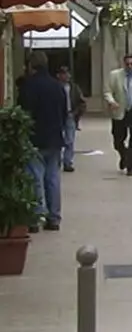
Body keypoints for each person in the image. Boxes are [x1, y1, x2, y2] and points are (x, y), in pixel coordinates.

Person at [17, 58, 68, 232]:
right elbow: (64, 112)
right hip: (54, 138)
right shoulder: (57, 86)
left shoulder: (28, 86)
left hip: (34, 138)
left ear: (32, 66)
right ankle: (53, 218)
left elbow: (23, 113)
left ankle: (35, 217)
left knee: (35, 177)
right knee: (53, 177)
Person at [57, 65, 86, 172]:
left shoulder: (74, 88)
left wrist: (76, 113)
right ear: (59, 75)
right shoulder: (55, 87)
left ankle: (67, 162)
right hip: (58, 116)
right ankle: (57, 161)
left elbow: (81, 102)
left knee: (70, 140)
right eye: (63, 73)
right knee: (58, 139)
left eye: (67, 73)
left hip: (70, 115)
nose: (66, 76)